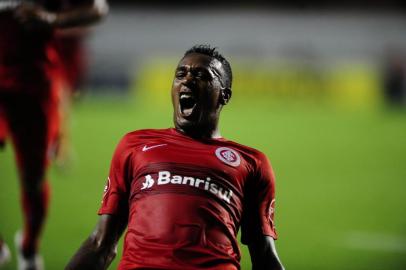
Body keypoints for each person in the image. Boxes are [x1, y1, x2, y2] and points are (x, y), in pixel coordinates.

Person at [66, 45, 285, 270]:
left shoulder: (251, 162)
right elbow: (100, 243)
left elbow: (264, 255)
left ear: (224, 95)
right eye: (181, 74)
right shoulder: (135, 145)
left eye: (201, 75)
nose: (187, 79)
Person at [0, 0, 108, 269]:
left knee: (33, 179)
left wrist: (51, 19)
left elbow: (98, 8)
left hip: (31, 87)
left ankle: (29, 245)